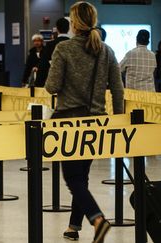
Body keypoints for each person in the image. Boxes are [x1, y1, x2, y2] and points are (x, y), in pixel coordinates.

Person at [45, 1, 124, 242]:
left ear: (74, 23)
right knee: (82, 175)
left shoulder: (64, 49)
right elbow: (118, 90)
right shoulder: (106, 51)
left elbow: (52, 86)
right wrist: (119, 119)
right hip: (97, 122)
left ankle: (97, 219)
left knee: (72, 178)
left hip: (68, 121)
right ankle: (73, 227)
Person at [36, 18, 70, 87]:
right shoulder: (73, 44)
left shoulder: (50, 45)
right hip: (70, 84)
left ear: (57, 29)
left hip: (54, 83)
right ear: (69, 29)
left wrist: (38, 84)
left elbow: (43, 66)